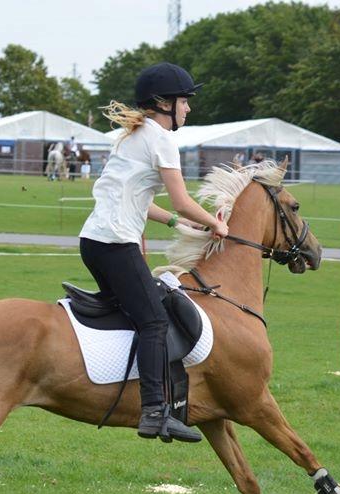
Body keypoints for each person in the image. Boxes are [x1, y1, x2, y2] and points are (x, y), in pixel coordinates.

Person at [78, 62, 229, 444]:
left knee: (137, 312)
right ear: (165, 103)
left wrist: (176, 226)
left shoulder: (132, 135)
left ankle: (110, 382)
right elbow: (181, 200)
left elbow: (143, 202)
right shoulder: (161, 139)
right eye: (185, 101)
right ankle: (154, 412)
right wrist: (215, 223)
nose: (189, 109)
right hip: (116, 245)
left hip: (93, 243)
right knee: (154, 322)